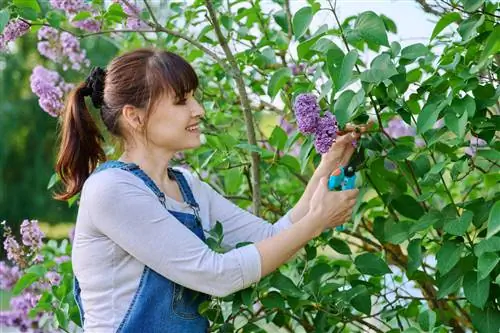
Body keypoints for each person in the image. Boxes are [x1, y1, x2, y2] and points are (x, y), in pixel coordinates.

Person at [55, 48, 360, 332]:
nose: (198, 110)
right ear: (134, 116)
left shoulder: (188, 188)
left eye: (194, 98)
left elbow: (271, 237)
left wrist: (328, 162)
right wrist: (316, 221)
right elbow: (218, 275)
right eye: (181, 101)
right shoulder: (112, 190)